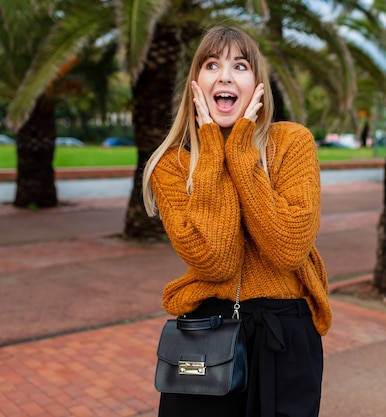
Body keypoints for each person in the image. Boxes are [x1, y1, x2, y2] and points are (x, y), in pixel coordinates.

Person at [142, 25, 332, 417]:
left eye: (240, 65)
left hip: (285, 338)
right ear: (196, 82)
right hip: (205, 337)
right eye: (212, 64)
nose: (225, 75)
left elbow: (288, 249)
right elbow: (217, 260)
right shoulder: (171, 166)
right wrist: (212, 150)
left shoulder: (292, 143)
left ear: (257, 84)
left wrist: (243, 154)